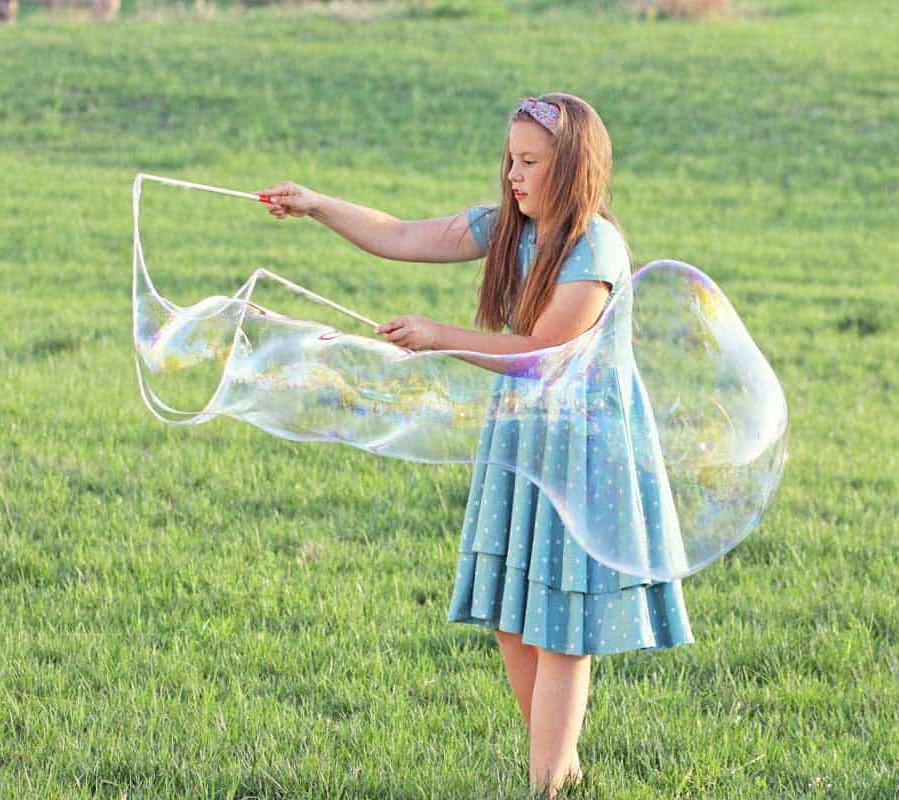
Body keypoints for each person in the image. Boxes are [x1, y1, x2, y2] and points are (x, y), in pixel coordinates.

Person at [254, 92, 694, 799]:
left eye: (530, 162)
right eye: (510, 159)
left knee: (560, 621)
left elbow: (541, 353)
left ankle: (546, 782)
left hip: (583, 447)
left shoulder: (595, 249)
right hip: (524, 435)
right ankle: (559, 768)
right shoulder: (509, 228)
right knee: (513, 616)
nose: (514, 176)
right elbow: (401, 234)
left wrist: (442, 338)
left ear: (574, 167)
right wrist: (315, 203)